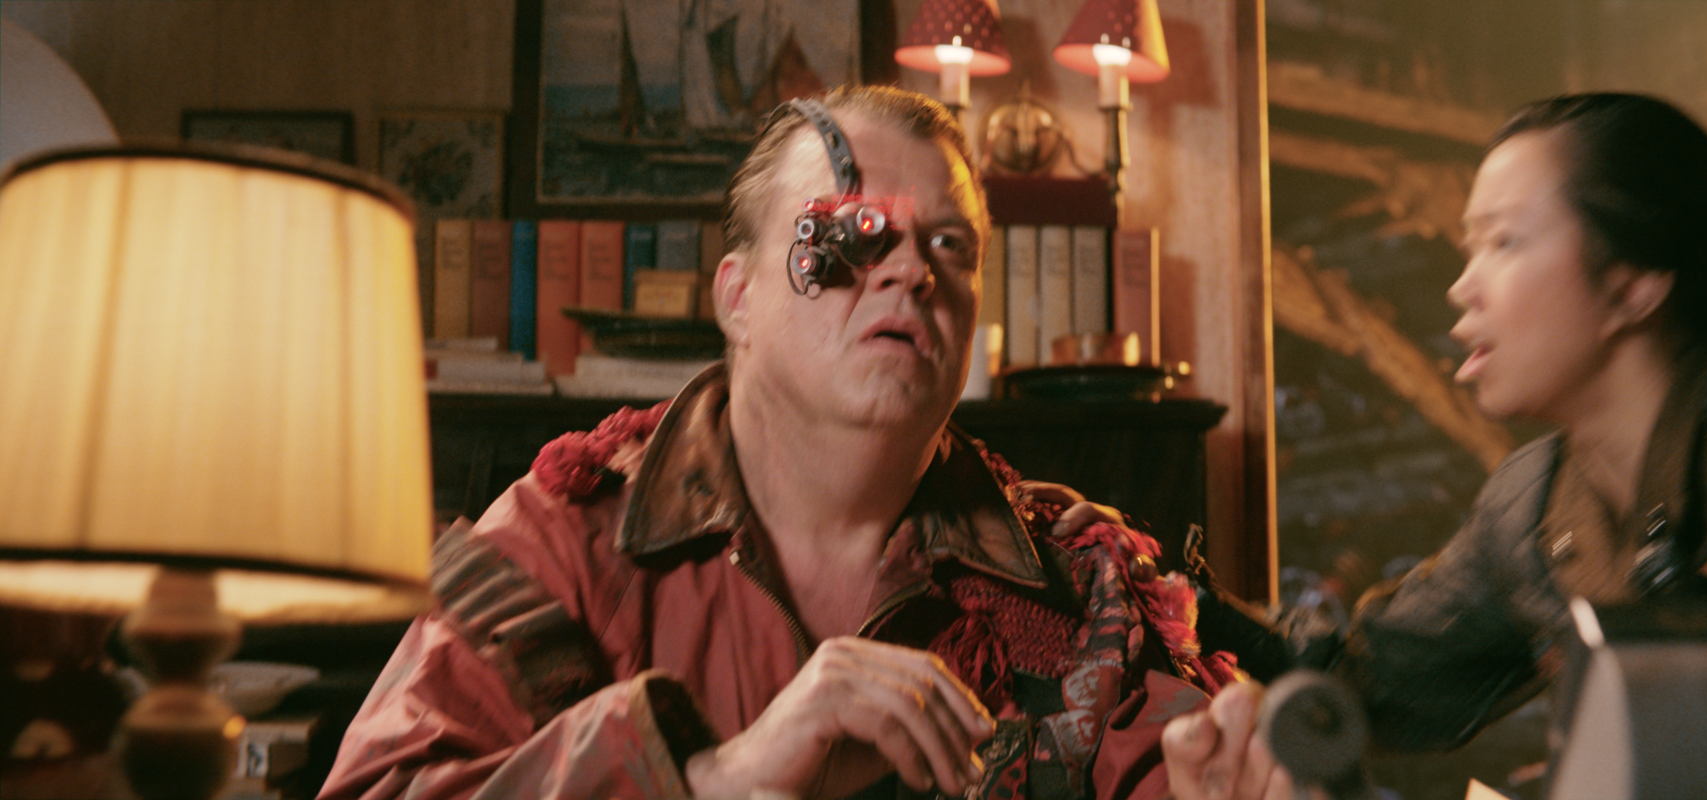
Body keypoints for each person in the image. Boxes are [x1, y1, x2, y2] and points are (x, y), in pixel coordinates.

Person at [319, 86, 1297, 800]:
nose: (912, 271)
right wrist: (712, 776)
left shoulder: (1077, 583)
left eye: (950, 247)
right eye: (853, 236)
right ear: (738, 297)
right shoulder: (556, 546)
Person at [1337, 92, 1707, 759]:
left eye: (1504, 241)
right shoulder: (1534, 507)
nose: (1462, 287)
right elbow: (1368, 683)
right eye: (1473, 247)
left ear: (1632, 285)